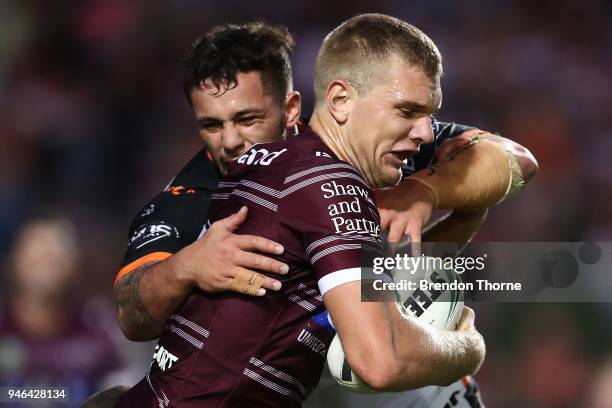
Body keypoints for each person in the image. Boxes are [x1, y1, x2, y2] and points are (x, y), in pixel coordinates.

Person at [115, 14, 537, 407]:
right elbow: (132, 316)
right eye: (211, 125)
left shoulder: (371, 143)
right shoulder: (197, 196)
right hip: (318, 369)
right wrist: (184, 267)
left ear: (292, 110)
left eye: (247, 118)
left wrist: (427, 191)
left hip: (335, 350)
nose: (230, 141)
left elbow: (517, 160)